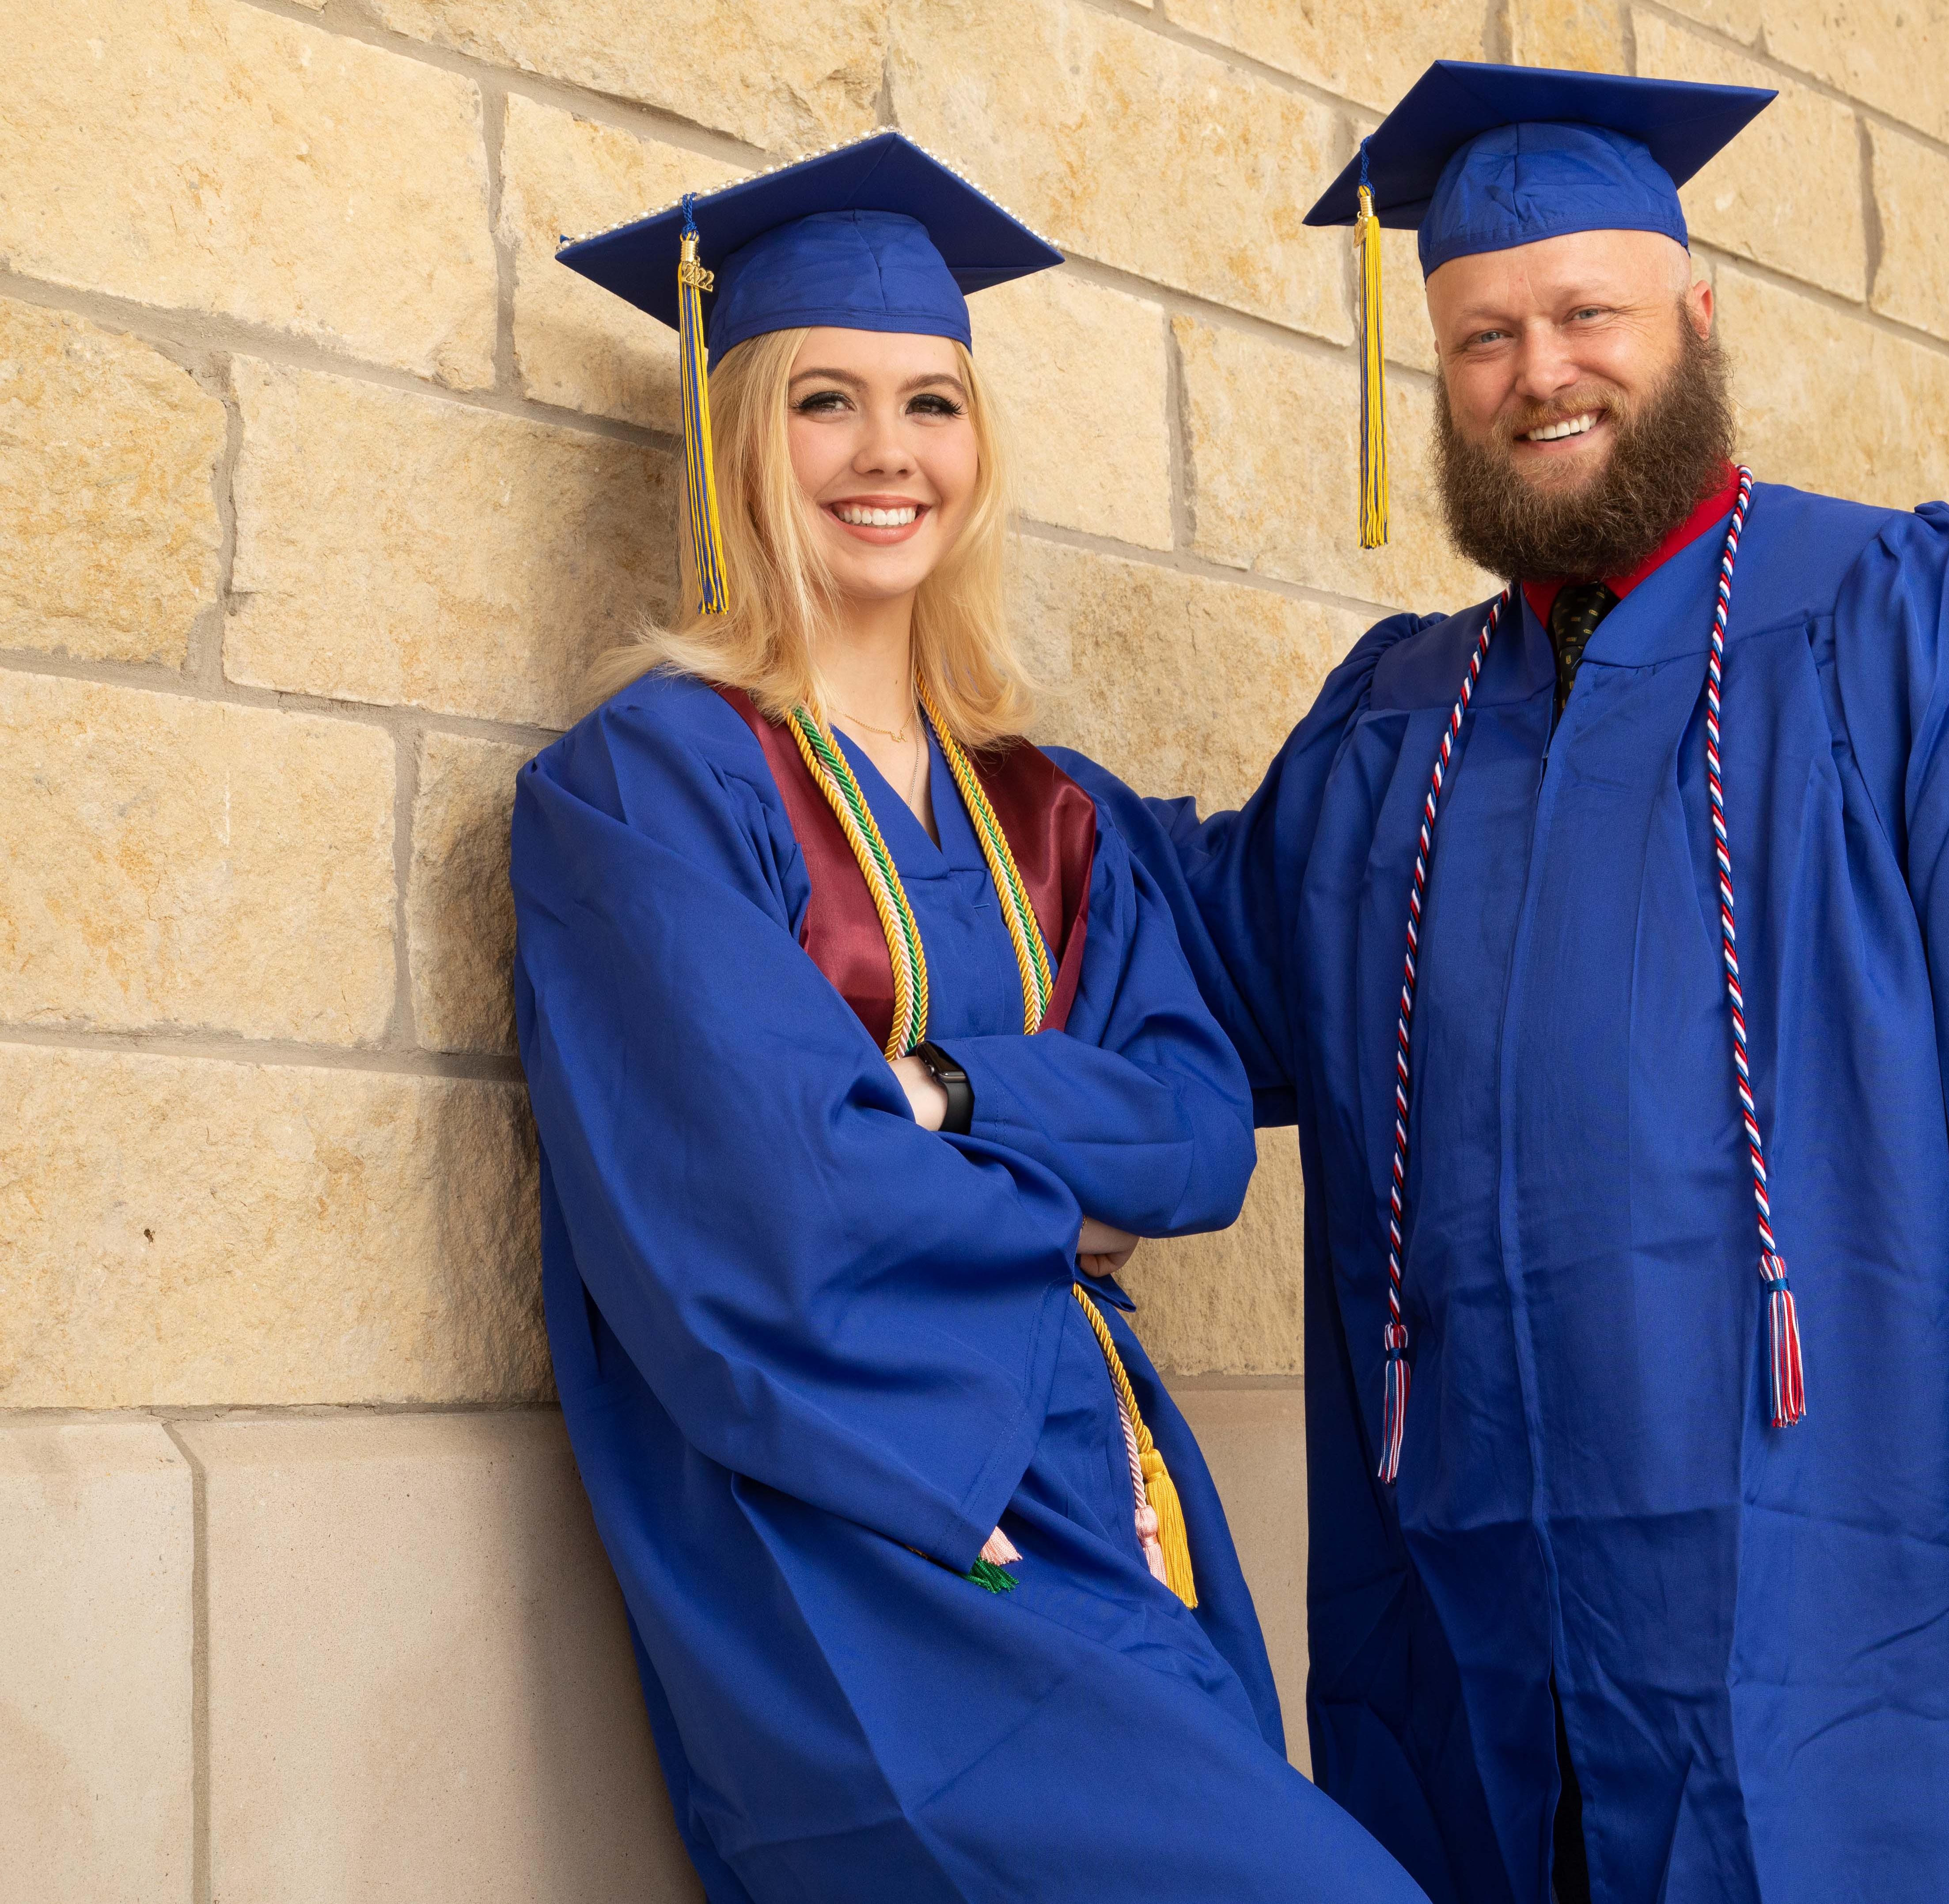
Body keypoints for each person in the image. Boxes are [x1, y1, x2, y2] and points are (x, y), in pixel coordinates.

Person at [1080, 62, 1949, 1904]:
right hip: (1481, 1583)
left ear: (1695, 317)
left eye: (1583, 314)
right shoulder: (1395, 737)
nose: (1537, 372)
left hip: (1849, 1568)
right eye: (1478, 338)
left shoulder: (1903, 618)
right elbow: (1179, 941)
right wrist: (917, 778)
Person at [511, 133, 1427, 1902]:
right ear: (739, 441)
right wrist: (1054, 1188)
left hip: (1110, 1489)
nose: (883, 456)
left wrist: (933, 1089)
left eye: (929, 404)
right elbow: (772, 1204)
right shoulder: (647, 788)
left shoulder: (1050, 808)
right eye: (823, 403)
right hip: (879, 1519)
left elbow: (1191, 1130)